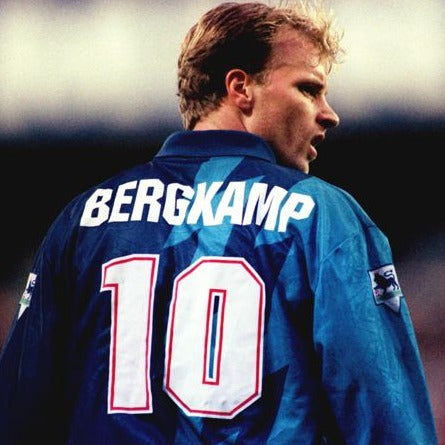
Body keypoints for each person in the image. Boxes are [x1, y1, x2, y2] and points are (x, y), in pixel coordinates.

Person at [0, 1, 438, 444]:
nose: (329, 113)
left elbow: (17, 412)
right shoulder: (322, 216)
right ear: (241, 88)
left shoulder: (83, 220)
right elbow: (386, 421)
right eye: (308, 89)